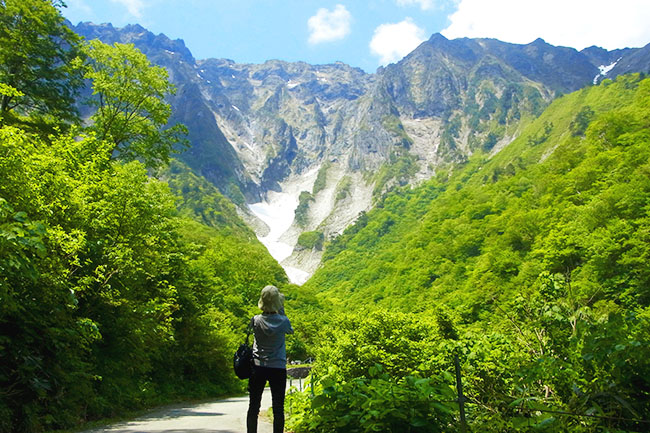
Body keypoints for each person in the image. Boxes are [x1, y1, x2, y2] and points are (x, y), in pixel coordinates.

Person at [247, 285, 294, 433]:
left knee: (254, 406)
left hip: (257, 365)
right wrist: (281, 309)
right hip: (278, 367)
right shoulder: (284, 321)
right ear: (277, 303)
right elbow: (290, 331)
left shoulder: (255, 320)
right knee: (278, 408)